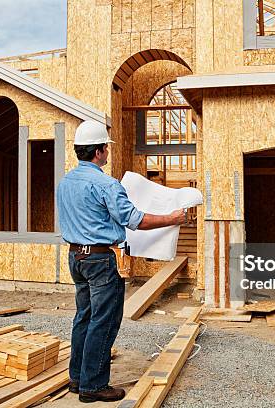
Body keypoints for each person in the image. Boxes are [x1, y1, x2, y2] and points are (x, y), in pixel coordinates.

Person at [56, 120, 186, 403]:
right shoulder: (106, 184)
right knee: (103, 321)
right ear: (100, 151)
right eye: (106, 148)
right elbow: (135, 220)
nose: (107, 152)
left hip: (76, 257)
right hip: (101, 260)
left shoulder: (65, 182)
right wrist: (172, 219)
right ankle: (93, 386)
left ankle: (77, 379)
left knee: (84, 317)